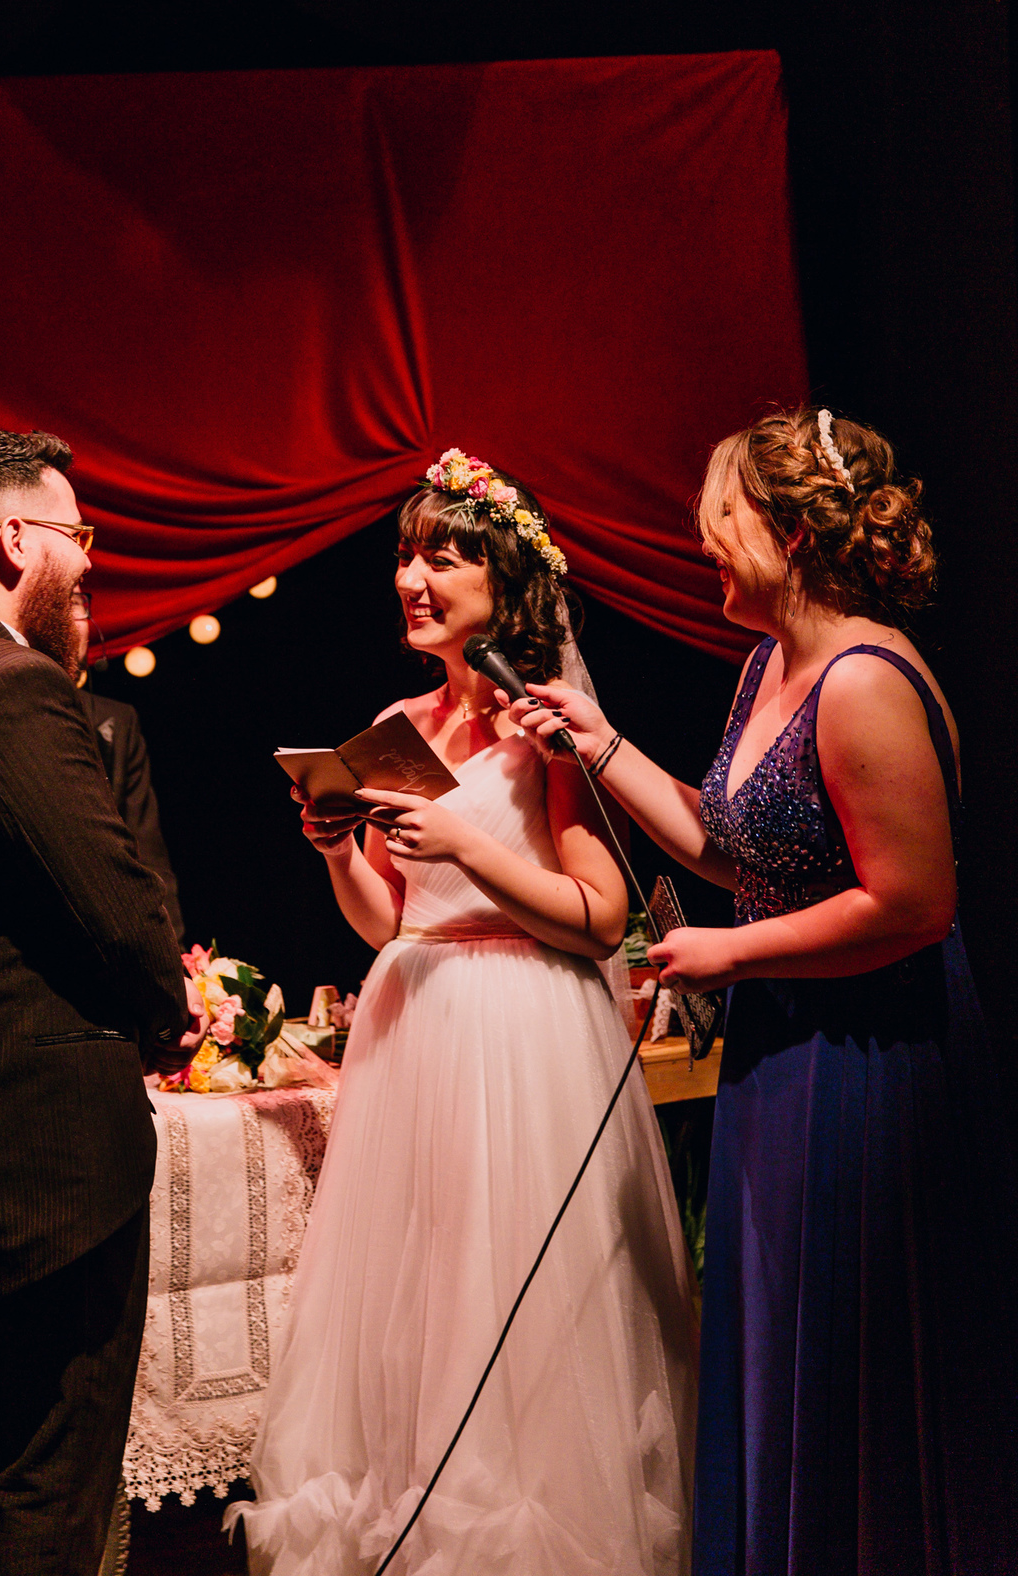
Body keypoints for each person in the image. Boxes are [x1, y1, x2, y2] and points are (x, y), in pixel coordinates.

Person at [513, 408, 1018, 1574]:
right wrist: (596, 743)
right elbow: (730, 844)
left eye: (720, 521)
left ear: (789, 535)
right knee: (779, 1346)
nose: (702, 544)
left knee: (853, 1360)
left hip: (871, 1065)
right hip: (787, 1050)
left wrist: (732, 955)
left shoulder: (863, 679)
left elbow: (914, 904)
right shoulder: (765, 667)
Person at [227, 449, 698, 1576]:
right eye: (406, 553)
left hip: (519, 1033)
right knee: (418, 1311)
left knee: (512, 1308)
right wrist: (341, 854)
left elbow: (597, 916)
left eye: (446, 554)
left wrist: (470, 847)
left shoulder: (547, 728)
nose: (415, 576)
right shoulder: (397, 721)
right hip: (413, 1027)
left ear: (507, 580)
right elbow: (393, 926)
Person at [0, 429, 209, 1575]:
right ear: (16, 541)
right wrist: (170, 1012)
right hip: (51, 1154)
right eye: (77, 535)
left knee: (12, 1466)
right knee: (52, 1485)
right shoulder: (8, 687)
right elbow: (114, 902)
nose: (90, 560)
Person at [71, 588, 187, 944]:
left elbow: (149, 857)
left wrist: (177, 959)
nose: (77, 620)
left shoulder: (116, 721)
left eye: (77, 601)